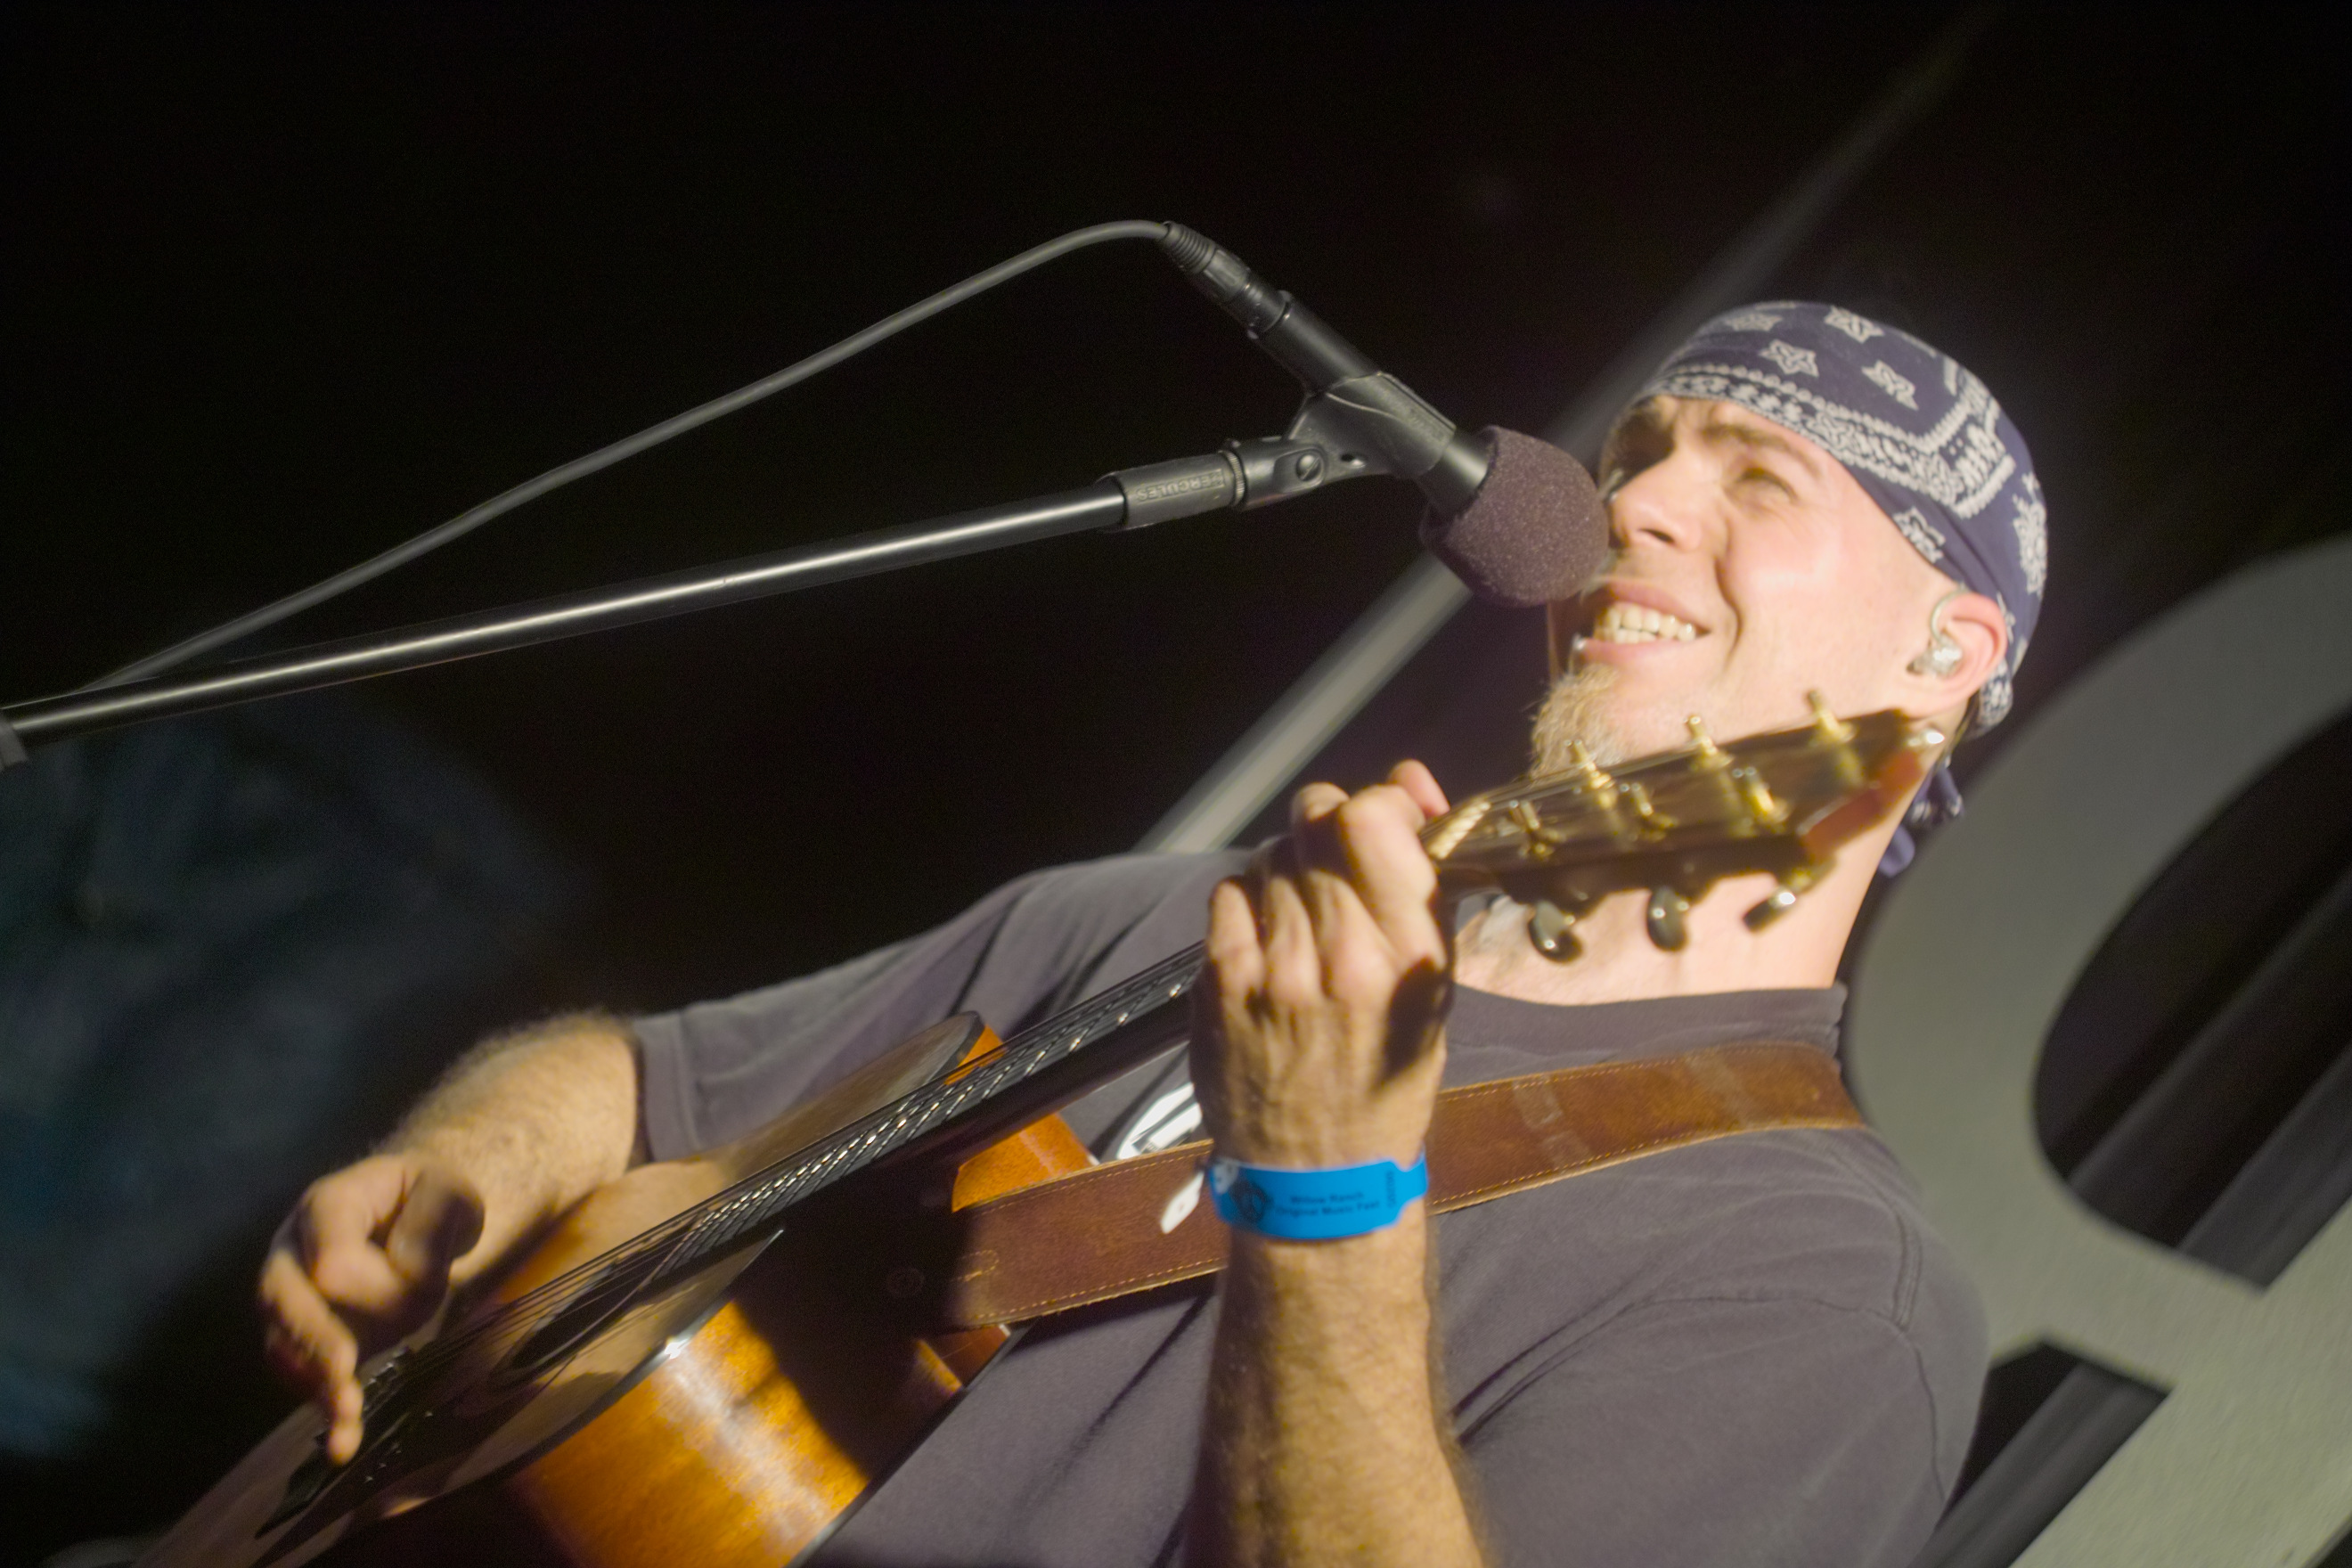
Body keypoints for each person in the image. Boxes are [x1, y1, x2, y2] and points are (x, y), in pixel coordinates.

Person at [257, 302, 2046, 1566]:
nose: (1630, 504)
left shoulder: (1822, 1293)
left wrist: (1328, 1179)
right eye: (1639, 454)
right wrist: (464, 1171)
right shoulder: (1195, 917)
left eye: (1759, 481)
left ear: (1942, 655)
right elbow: (645, 1082)